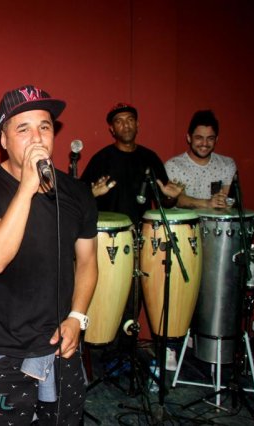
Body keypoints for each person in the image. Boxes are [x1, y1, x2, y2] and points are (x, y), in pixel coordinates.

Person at [0, 85, 98, 425]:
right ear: (3, 140)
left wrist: (77, 317)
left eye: (45, 126)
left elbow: (88, 261)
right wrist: (28, 187)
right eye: (23, 129)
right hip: (3, 350)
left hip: (60, 346)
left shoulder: (77, 192)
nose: (37, 138)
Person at [80, 102, 183, 371]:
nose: (125, 125)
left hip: (140, 239)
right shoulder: (102, 159)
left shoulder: (150, 158)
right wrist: (92, 194)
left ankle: (124, 352)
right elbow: (79, 198)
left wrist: (171, 199)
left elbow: (164, 199)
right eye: (119, 121)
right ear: (111, 129)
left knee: (134, 297)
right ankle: (102, 351)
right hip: (105, 241)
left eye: (130, 120)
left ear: (138, 125)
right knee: (106, 294)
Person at [165, 109, 236, 209]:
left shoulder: (226, 164)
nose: (204, 143)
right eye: (199, 138)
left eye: (210, 138)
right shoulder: (174, 165)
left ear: (216, 139)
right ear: (189, 138)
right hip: (185, 219)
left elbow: (228, 200)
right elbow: (178, 200)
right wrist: (207, 203)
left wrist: (225, 203)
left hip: (216, 219)